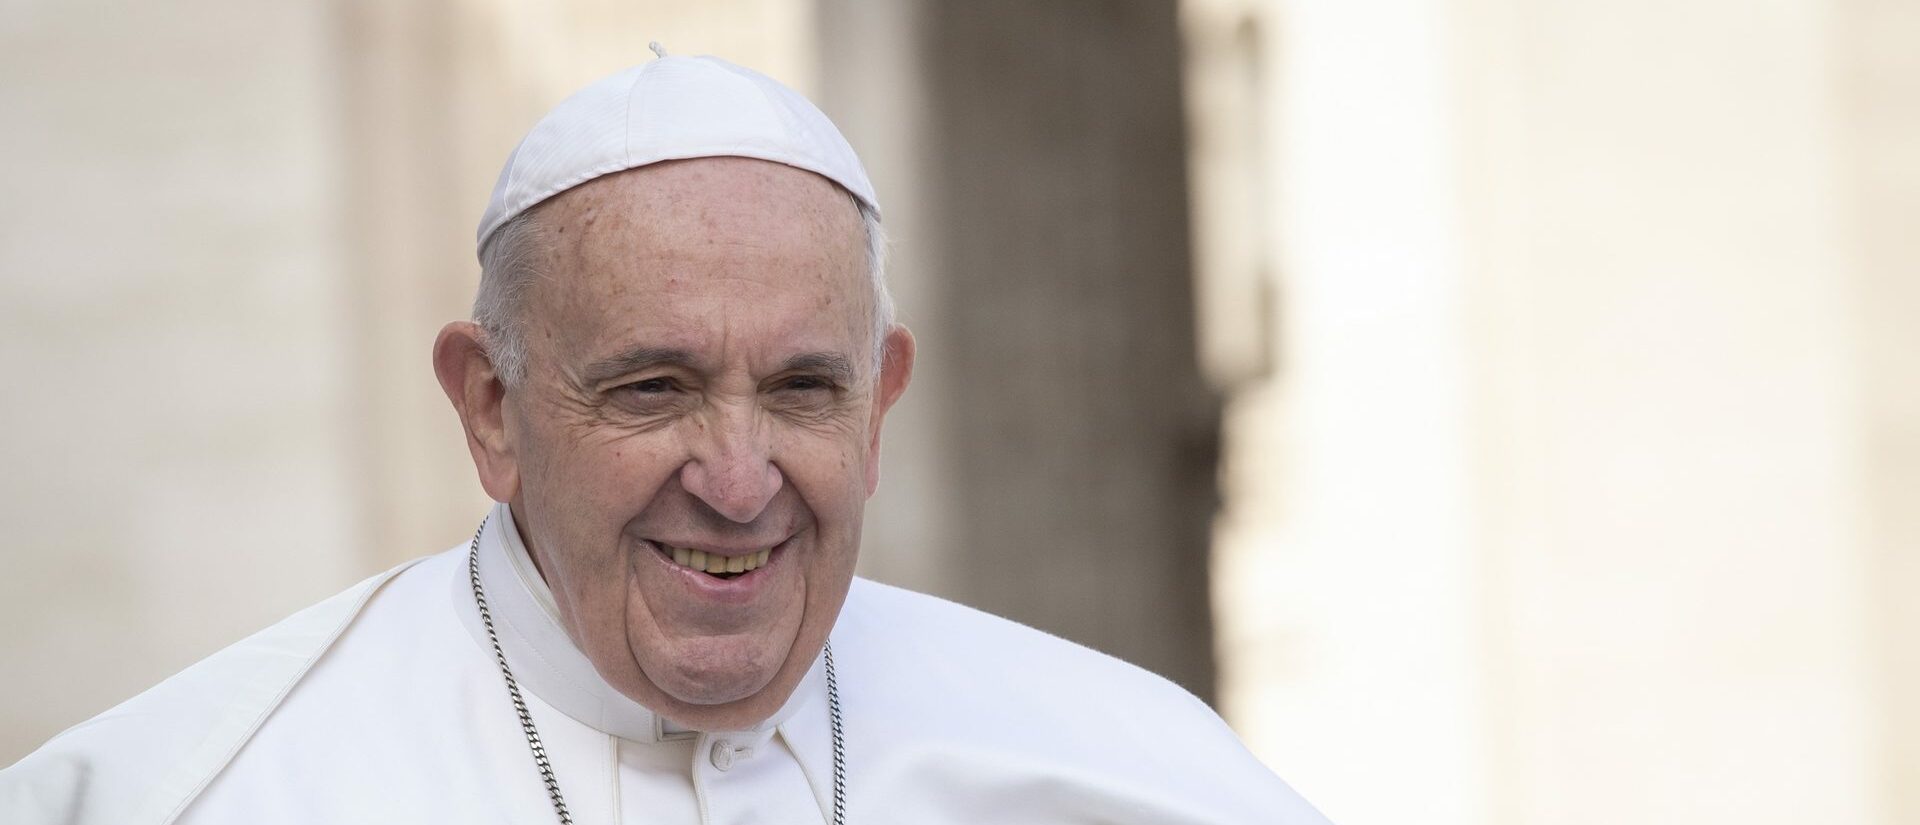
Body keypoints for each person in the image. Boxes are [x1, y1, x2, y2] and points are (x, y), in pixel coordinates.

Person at [1, 52, 1331, 824]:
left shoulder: (1131, 772)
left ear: (880, 407)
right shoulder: (198, 792)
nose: (738, 479)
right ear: (491, 409)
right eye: (651, 387)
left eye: (807, 388)